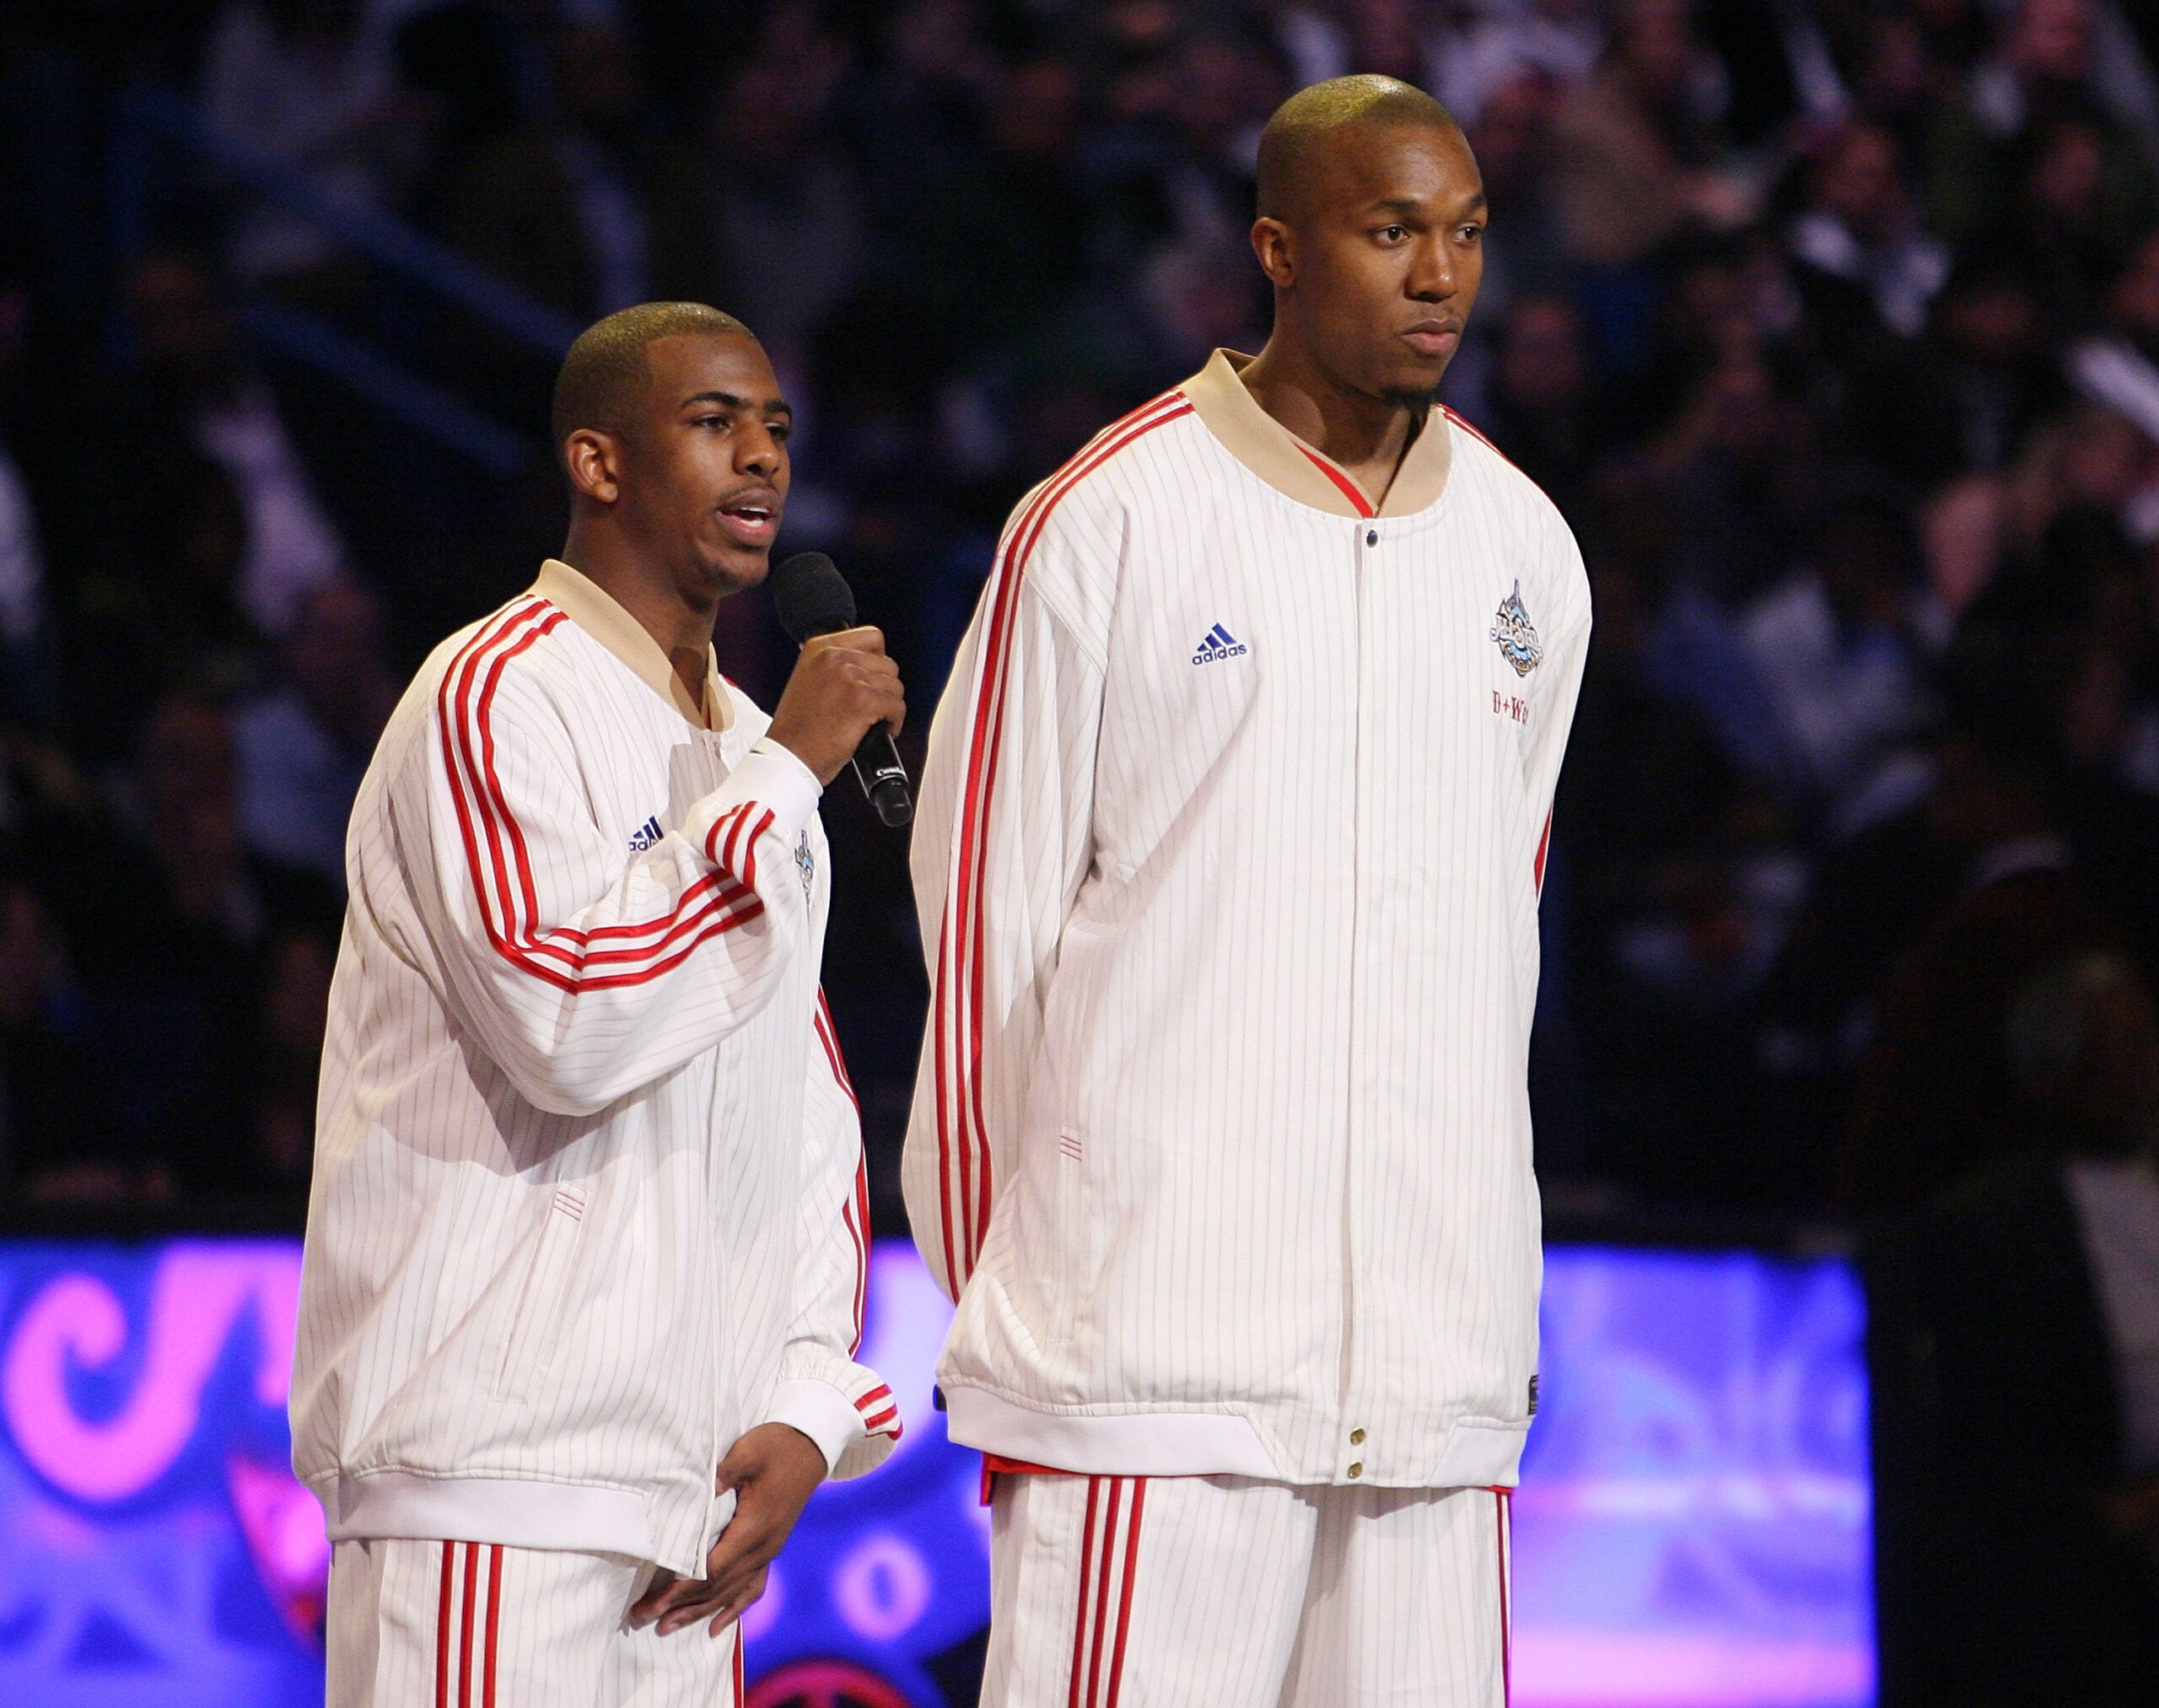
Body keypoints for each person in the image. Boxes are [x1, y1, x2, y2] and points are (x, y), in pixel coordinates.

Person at [904, 76, 1591, 1706]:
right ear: (1277, 250)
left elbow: (1503, 946)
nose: (1442, 276)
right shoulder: (1107, 521)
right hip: (1146, 1383)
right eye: (1392, 232)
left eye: (1467, 233)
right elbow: (982, 944)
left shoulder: (1526, 548)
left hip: (1433, 1392)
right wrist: (1049, 1307)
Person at [290, 302, 906, 1706]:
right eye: (714, 422)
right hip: (489, 1485)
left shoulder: (751, 743)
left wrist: (809, 1402)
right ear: (599, 461)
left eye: (776, 428)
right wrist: (785, 780)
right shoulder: (494, 689)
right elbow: (568, 1021)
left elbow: (805, 1120)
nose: (762, 456)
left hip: (690, 1513)